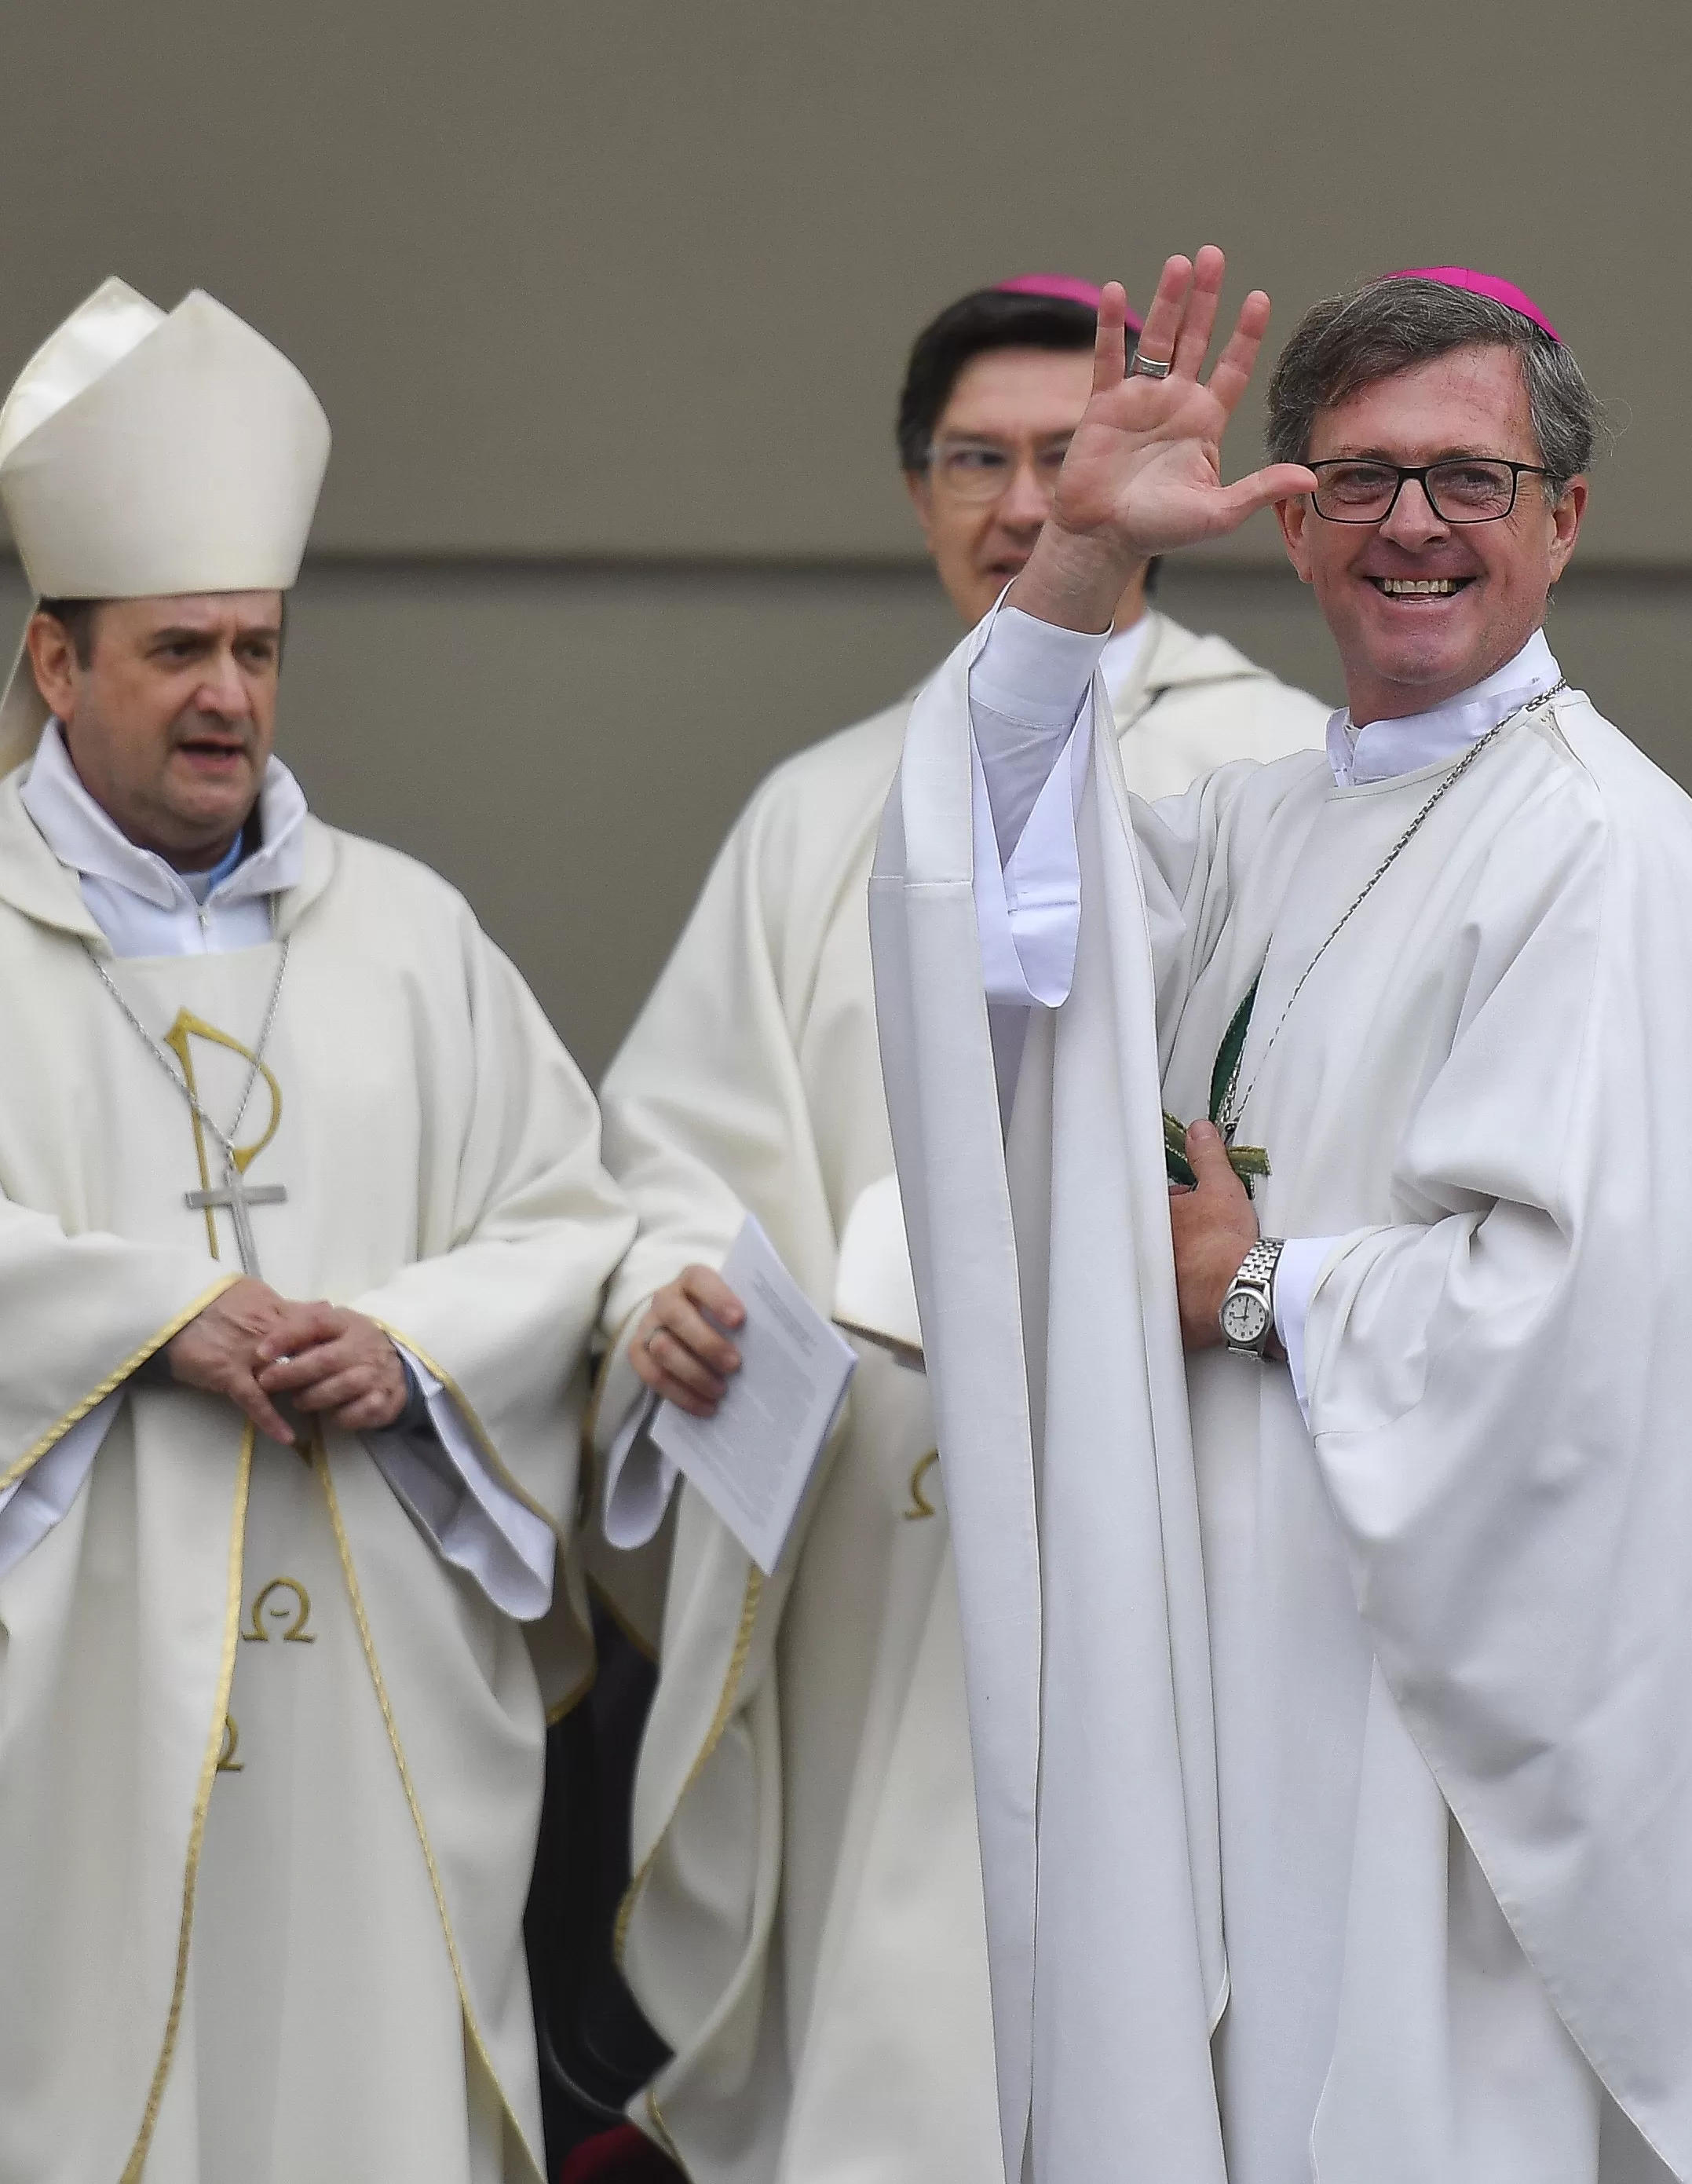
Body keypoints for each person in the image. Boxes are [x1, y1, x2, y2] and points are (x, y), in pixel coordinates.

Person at [871, 249, 1692, 2183]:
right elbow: (997, 949)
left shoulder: (1604, 850)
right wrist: (1073, 575)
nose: (1414, 525)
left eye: (1470, 480)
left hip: (1449, 1749)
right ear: (1294, 521)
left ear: (1561, 524)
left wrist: (1263, 1284)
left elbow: (1595, 1331)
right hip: (1252, 1663)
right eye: (1360, 481)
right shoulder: (1262, 820)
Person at [0, 279, 630, 2182]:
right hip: (51, 1710)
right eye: (179, 647)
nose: (229, 698)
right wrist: (147, 1316)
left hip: (362, 1700)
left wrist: (417, 1345)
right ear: (52, 658)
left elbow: (563, 1220)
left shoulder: (416, 939)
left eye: (259, 650)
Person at [591, 273, 1325, 2177]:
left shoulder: (1278, 768)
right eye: (976, 458)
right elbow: (682, 1130)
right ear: (915, 487)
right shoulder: (822, 806)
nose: (1022, 499)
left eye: (1057, 452)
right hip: (882, 1540)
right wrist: (670, 1287)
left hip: (1148, 1520)